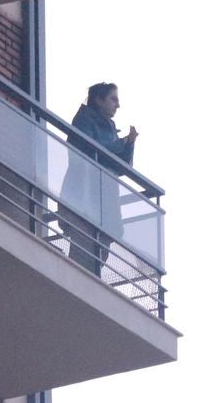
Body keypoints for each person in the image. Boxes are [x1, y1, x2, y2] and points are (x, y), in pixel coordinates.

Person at [59, 82, 139, 277]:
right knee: (83, 246)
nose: (117, 105)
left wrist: (129, 144)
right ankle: (76, 282)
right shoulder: (84, 120)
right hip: (85, 195)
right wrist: (121, 143)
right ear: (98, 99)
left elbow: (122, 167)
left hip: (104, 198)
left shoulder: (109, 127)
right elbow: (92, 149)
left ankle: (85, 281)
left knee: (101, 249)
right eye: (113, 99)